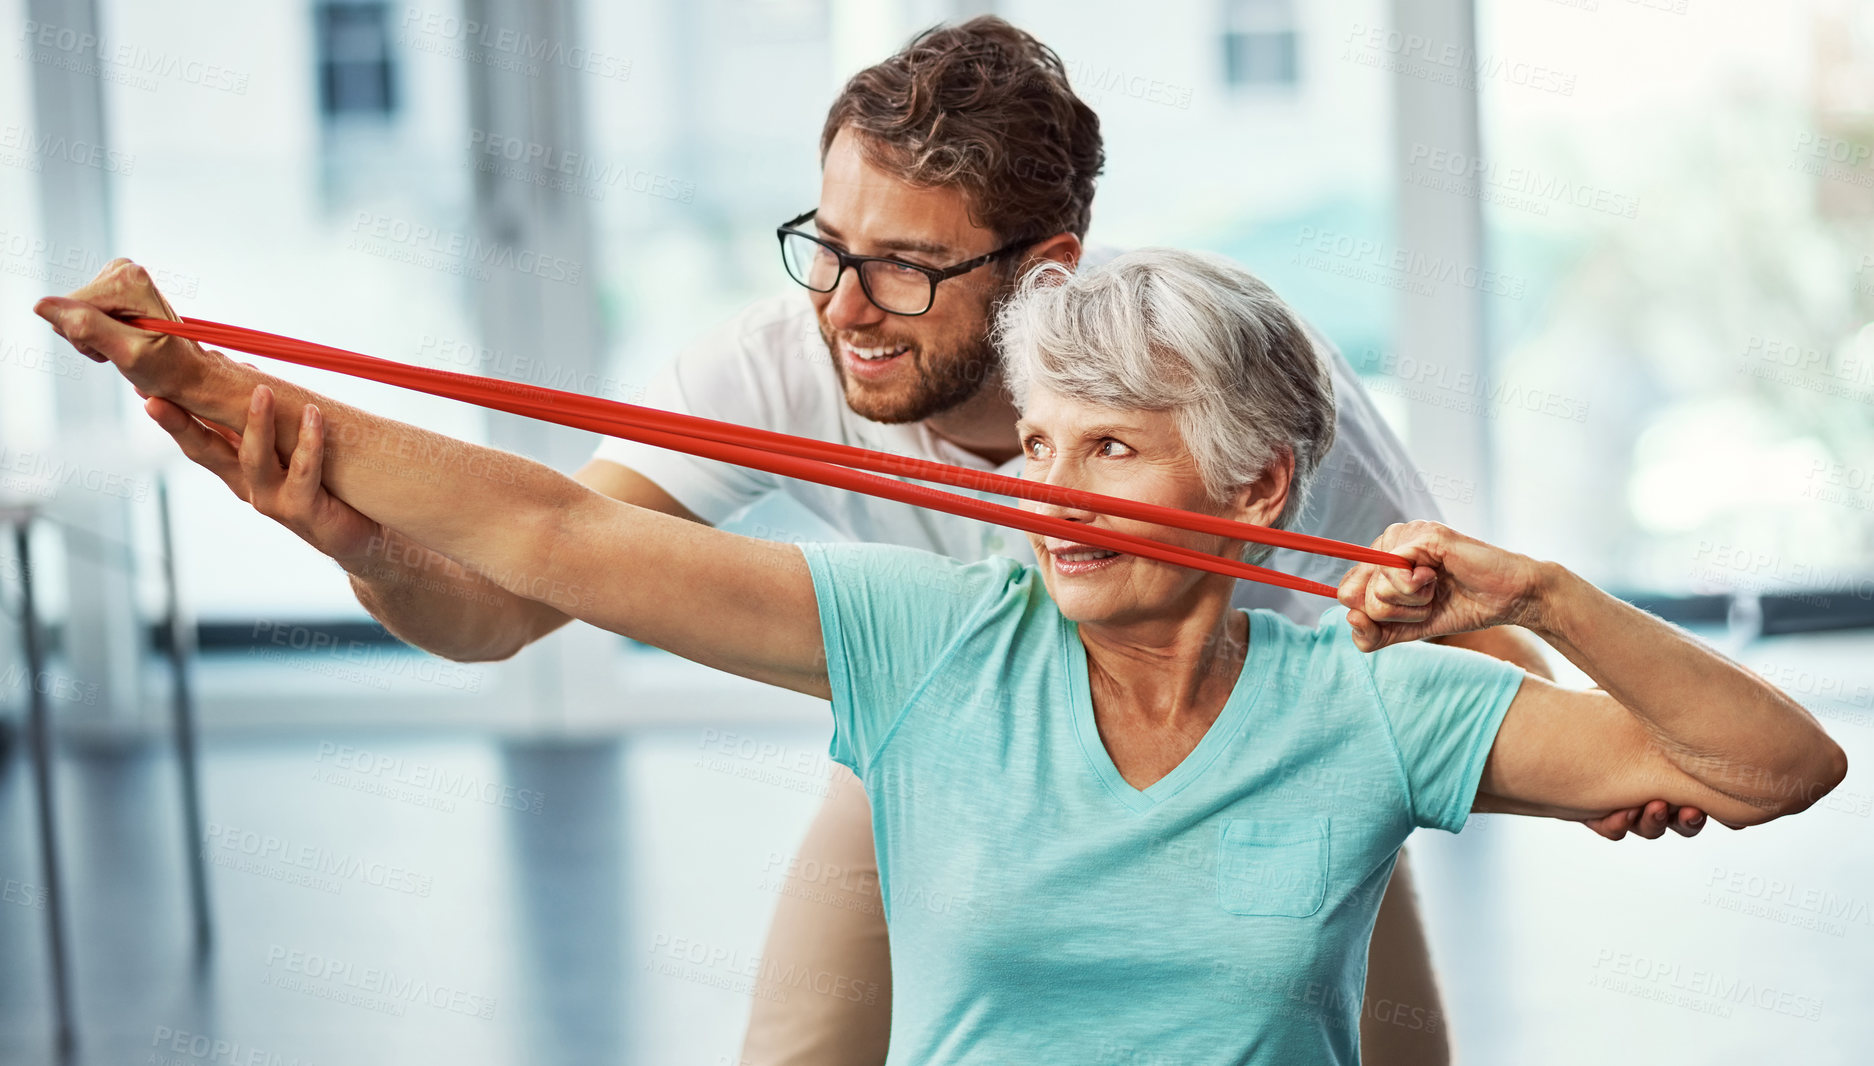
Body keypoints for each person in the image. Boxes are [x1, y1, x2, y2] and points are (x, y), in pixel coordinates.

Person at [72, 19, 1712, 1066]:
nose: (842, 306)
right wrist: (354, 539)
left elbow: (1463, 656)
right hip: (947, 742)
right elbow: (511, 602)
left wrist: (1630, 766)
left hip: (1255, 745)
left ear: (1043, 266)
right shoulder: (778, 358)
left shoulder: (1227, 383)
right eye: (827, 244)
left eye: (907, 268)